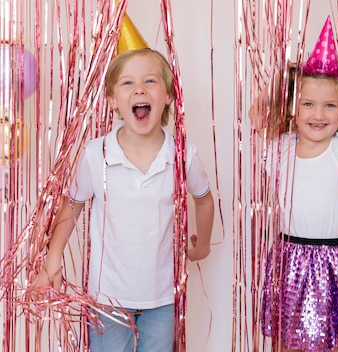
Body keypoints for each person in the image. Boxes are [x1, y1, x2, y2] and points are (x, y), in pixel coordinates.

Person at [29, 48, 215, 352]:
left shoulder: (182, 155)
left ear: (168, 95)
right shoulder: (96, 154)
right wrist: (53, 258)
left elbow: (204, 199)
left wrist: (203, 245)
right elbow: (72, 205)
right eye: (128, 83)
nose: (139, 88)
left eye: (150, 81)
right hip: (107, 299)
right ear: (113, 100)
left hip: (162, 298)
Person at [248, 17, 338, 352]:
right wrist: (288, 76)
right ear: (293, 105)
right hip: (289, 262)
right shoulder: (280, 148)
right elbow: (255, 113)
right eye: (308, 103)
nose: (318, 114)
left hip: (336, 261)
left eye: (330, 105)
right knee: (286, 343)